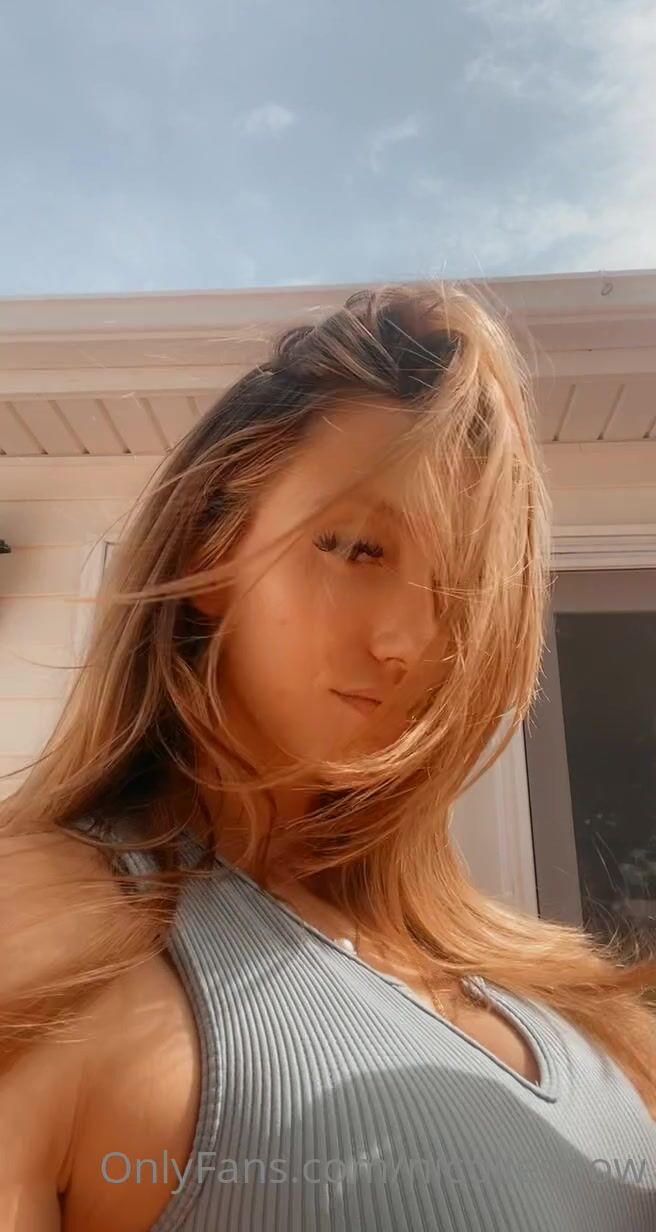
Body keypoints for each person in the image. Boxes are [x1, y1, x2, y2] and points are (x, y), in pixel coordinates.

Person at [1, 280, 655, 1232]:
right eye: (355, 548)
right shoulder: (53, 922)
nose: (409, 642)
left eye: (459, 594)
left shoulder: (566, 993)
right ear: (214, 548)